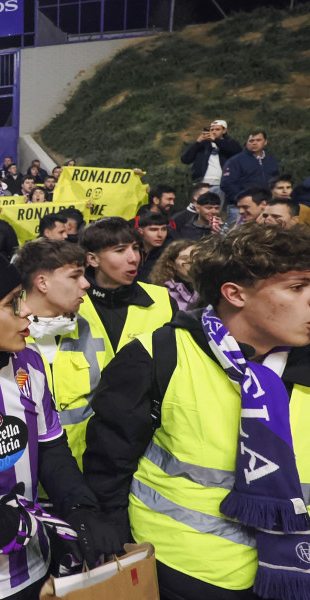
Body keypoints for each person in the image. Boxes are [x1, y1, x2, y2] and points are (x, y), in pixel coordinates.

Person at [82, 223, 310, 600]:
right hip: (184, 569)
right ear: (234, 294)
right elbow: (109, 466)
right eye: (297, 287)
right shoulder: (157, 355)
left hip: (293, 571)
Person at [0, 249, 116, 600]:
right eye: (13, 302)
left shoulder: (30, 361)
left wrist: (80, 507)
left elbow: (51, 447)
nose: (26, 310)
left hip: (34, 570)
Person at [52, 217, 175, 467]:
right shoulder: (65, 304)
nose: (134, 258)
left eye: (136, 248)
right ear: (92, 259)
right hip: (75, 452)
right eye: (120, 251)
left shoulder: (162, 301)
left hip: (141, 449)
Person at [15, 238, 90, 364]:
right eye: (74, 276)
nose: (86, 284)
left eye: (83, 276)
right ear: (43, 283)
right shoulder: (2, 335)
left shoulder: (90, 327)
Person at [220, 130, 280, 223]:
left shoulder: (271, 160)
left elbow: (276, 180)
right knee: (236, 233)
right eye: (251, 141)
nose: (254, 143)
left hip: (264, 206)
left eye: (258, 140)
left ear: (265, 142)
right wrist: (243, 201)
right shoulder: (235, 161)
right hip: (239, 208)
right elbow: (226, 184)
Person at [180, 119, 242, 187]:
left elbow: (236, 151)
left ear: (224, 131)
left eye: (217, 129)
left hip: (223, 181)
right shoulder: (202, 144)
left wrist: (215, 140)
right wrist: (197, 142)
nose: (214, 132)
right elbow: (185, 159)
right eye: (212, 130)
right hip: (202, 181)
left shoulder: (230, 143)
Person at [148, 239, 200, 311]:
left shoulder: (207, 288)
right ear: (172, 263)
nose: (192, 262)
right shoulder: (162, 291)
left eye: (196, 257)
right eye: (185, 258)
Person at [136, 212, 171, 283]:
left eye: (164, 229)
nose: (160, 235)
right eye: (154, 230)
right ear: (140, 231)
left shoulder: (169, 253)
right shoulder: (132, 250)